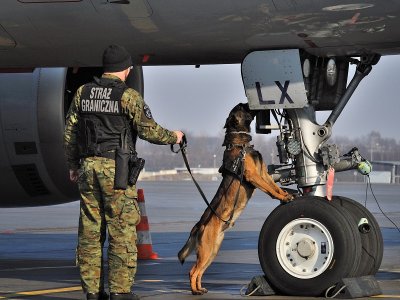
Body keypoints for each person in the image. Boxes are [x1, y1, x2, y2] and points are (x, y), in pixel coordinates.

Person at [64, 44, 184, 300]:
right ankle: (120, 292)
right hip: (116, 171)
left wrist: (73, 165)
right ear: (126, 70)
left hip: (88, 168)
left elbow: (70, 133)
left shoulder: (82, 93)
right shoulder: (127, 97)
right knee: (121, 232)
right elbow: (149, 131)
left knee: (90, 233)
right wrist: (174, 136)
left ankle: (93, 294)